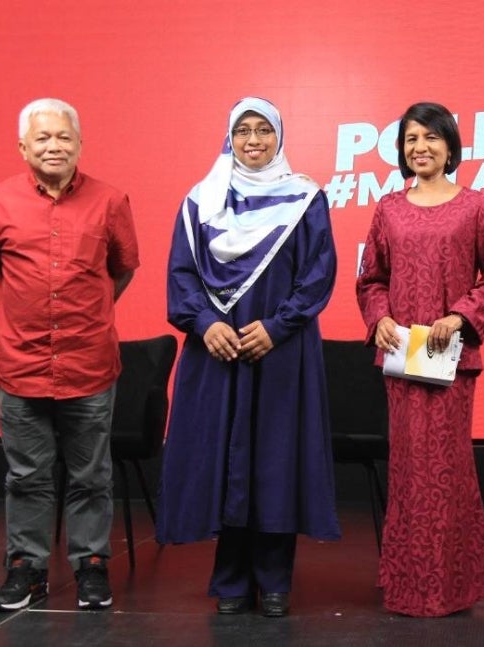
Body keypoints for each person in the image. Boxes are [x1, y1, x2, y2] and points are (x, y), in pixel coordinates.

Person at [156, 97, 339, 618]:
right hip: (216, 352)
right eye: (243, 131)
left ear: (279, 137)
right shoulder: (201, 201)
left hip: (281, 353)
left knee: (275, 460)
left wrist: (278, 327)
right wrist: (206, 322)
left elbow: (317, 273)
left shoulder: (306, 198)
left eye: (264, 130)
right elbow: (181, 274)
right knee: (225, 460)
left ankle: (275, 578)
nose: (254, 141)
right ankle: (230, 579)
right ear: (228, 138)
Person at [0, 98, 140, 611]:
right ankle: (27, 569)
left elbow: (122, 270)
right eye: (42, 138)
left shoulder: (110, 201)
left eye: (64, 137)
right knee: (26, 476)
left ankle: (90, 565)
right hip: (20, 366)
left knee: (92, 474)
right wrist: (18, 317)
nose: (54, 146)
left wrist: (87, 315)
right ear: (23, 147)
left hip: (88, 362)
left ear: (80, 145)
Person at [356, 102, 484, 617]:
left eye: (431, 137)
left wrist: (461, 316)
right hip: (402, 358)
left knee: (447, 469)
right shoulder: (389, 208)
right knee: (407, 471)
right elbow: (371, 278)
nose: (420, 147)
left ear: (450, 146)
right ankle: (406, 588)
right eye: (410, 139)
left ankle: (451, 589)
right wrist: (377, 317)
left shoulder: (475, 206)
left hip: (449, 361)